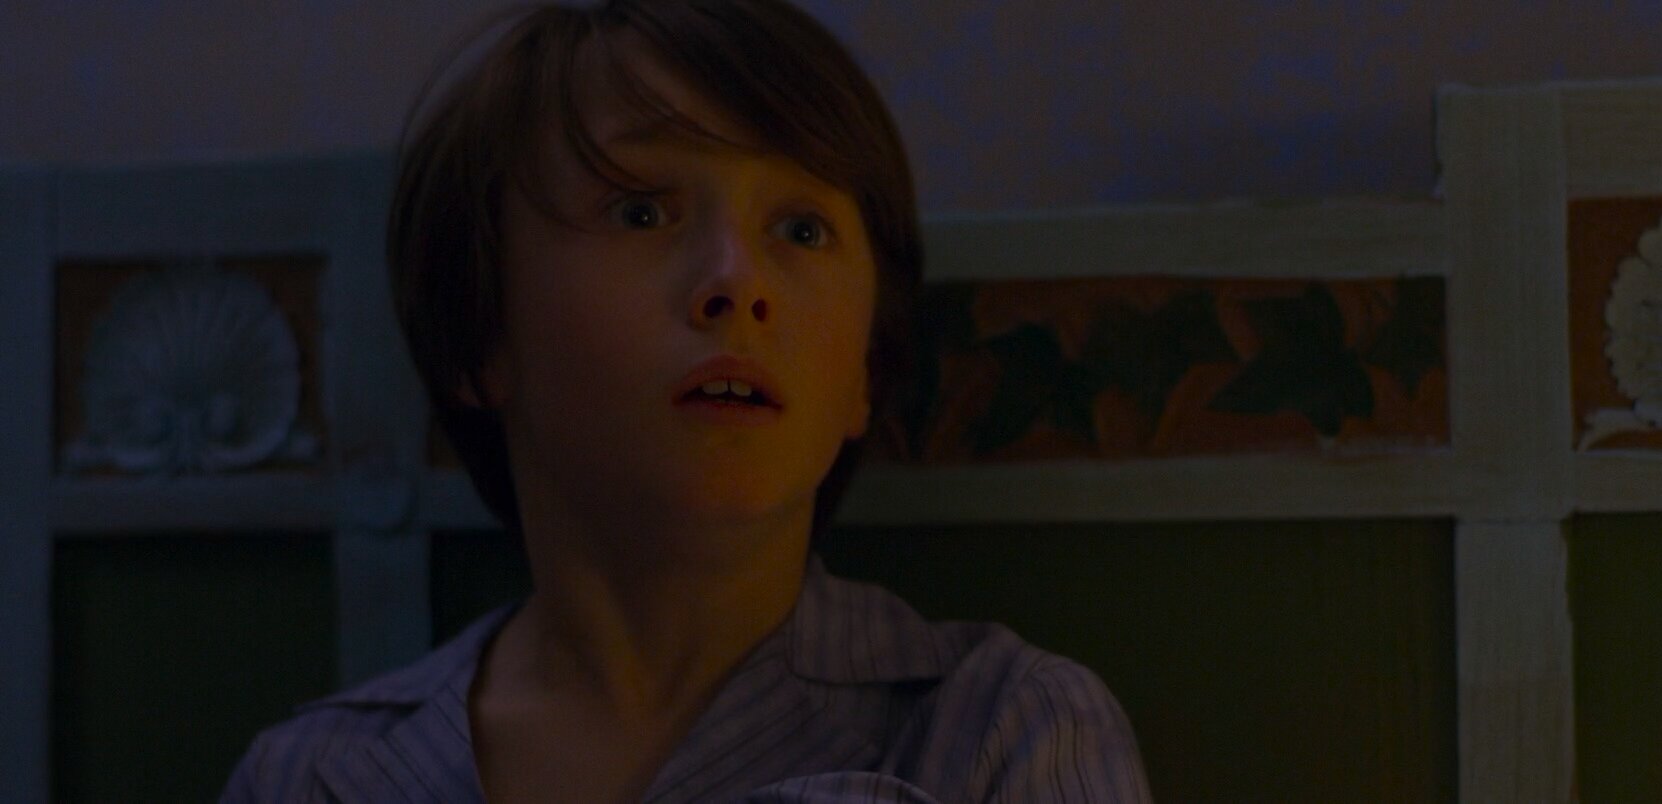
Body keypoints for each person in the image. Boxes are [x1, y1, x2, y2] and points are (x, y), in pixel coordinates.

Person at [219, 1, 1152, 801]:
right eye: (641, 212)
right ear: (481, 332)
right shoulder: (317, 777)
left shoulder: (1000, 732)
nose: (737, 283)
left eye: (802, 229)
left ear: (864, 373)